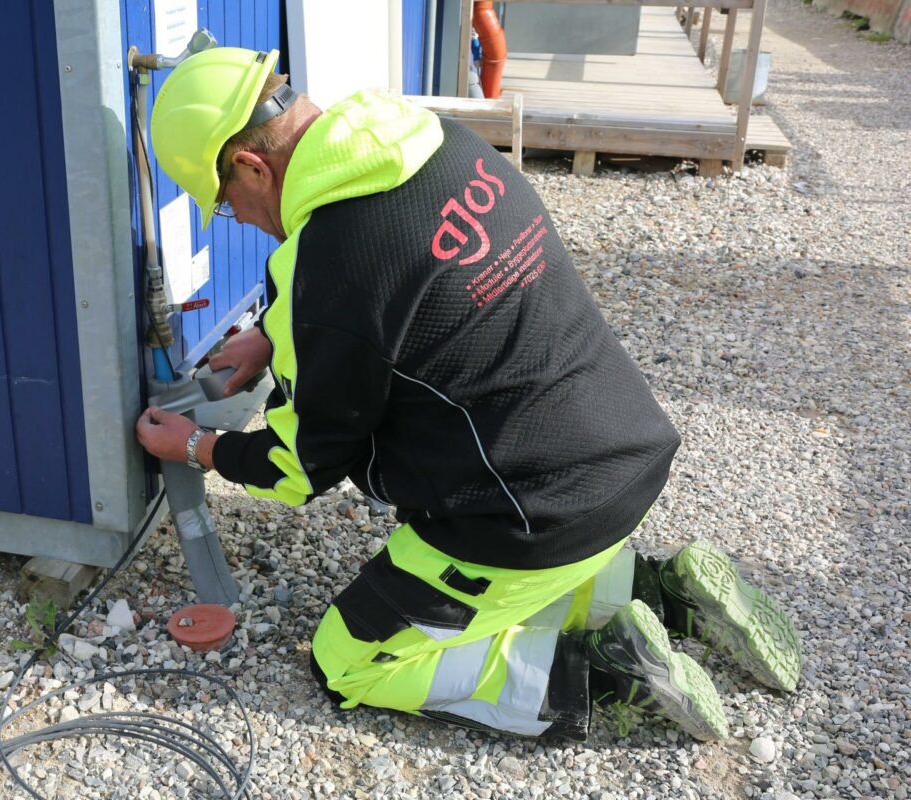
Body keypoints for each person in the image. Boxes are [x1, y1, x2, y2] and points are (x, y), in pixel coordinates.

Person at [136, 47, 801, 741]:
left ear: (252, 166)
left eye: (227, 203)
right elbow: (413, 293)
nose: (237, 218)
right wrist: (281, 335)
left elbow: (301, 469)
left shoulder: (323, 264)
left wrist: (193, 445)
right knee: (533, 556)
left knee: (347, 660)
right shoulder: (432, 142)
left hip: (526, 514)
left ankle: (602, 671)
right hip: (622, 455)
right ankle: (667, 594)